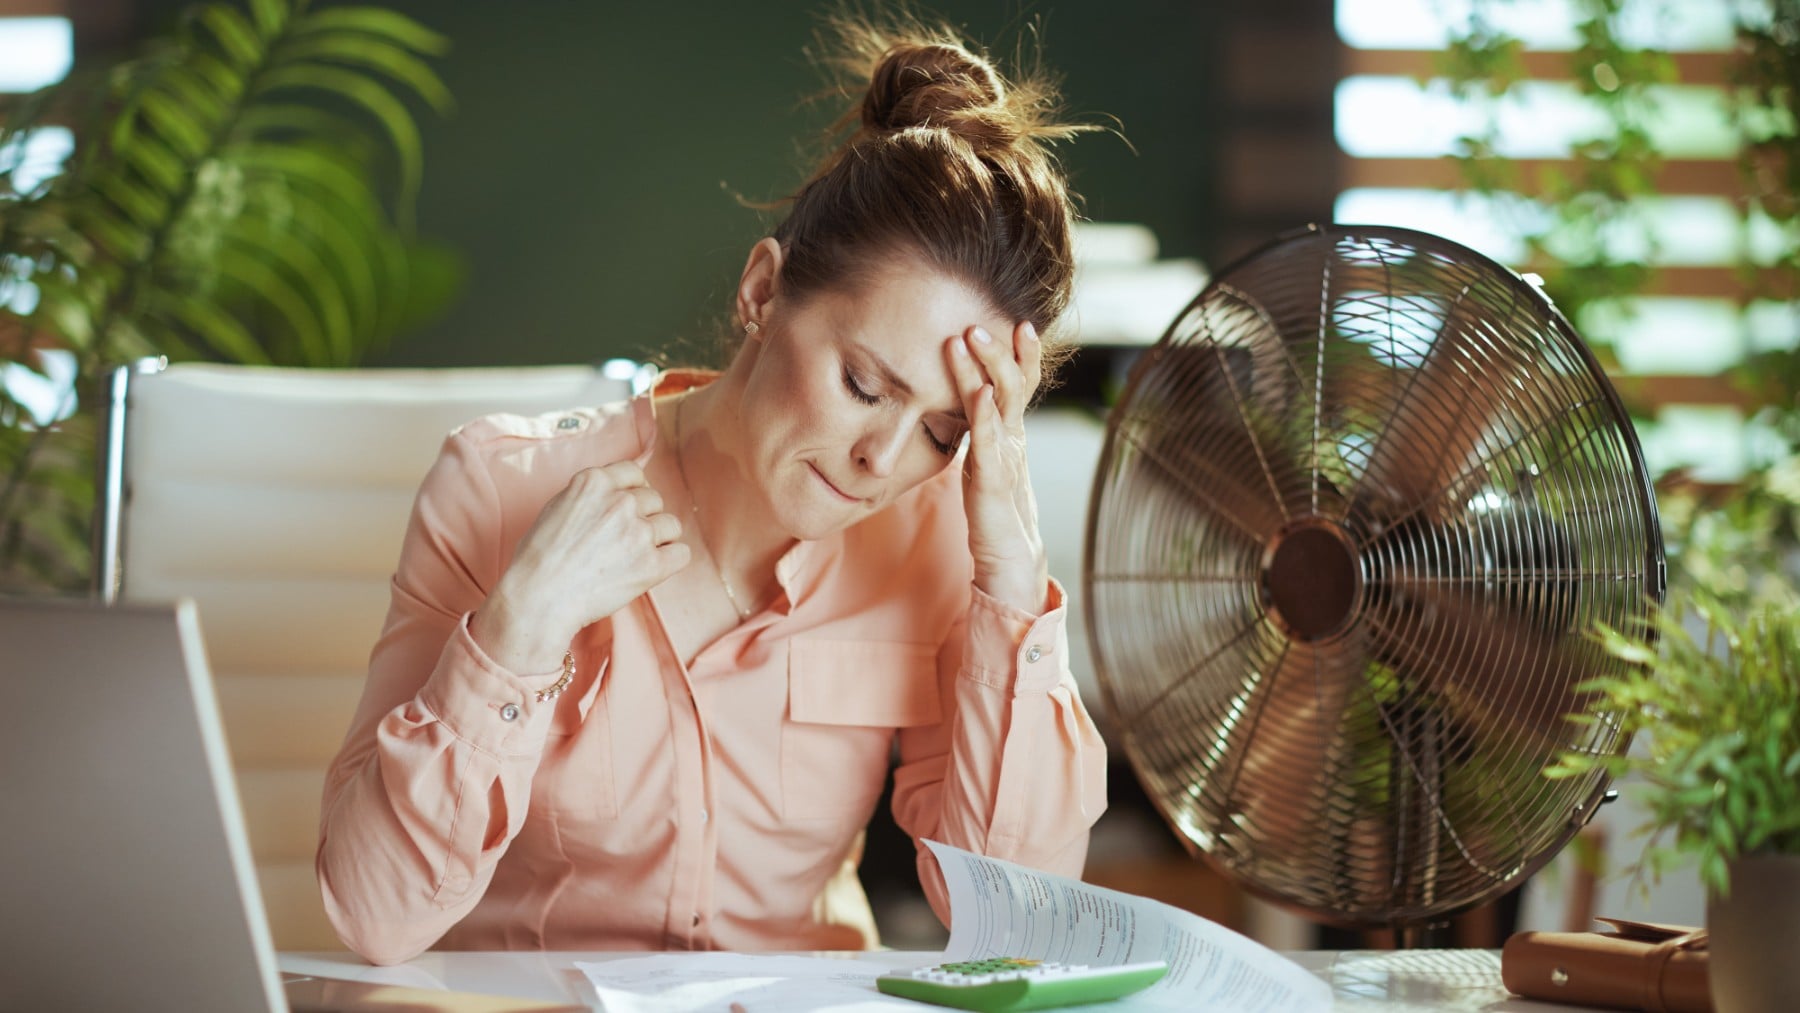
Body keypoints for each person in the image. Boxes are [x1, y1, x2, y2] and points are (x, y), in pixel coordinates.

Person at [317, 12, 1108, 965]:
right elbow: (371, 914)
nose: (881, 459)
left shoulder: (932, 545)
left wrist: (1012, 575)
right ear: (763, 292)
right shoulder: (498, 489)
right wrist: (517, 632)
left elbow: (1017, 924)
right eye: (864, 384)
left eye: (941, 431)